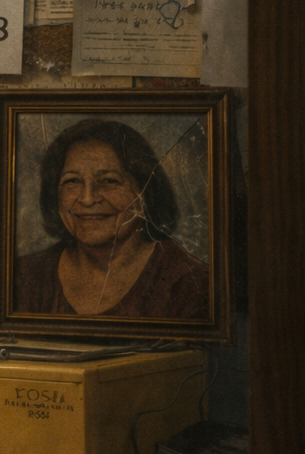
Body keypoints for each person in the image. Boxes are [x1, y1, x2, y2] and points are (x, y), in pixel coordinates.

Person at [14, 118, 209, 319]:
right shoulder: (25, 275)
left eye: (109, 181)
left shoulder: (189, 282)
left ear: (144, 192)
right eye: (72, 181)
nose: (88, 199)